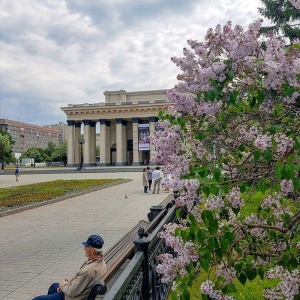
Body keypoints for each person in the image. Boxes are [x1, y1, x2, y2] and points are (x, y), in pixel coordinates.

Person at [32, 235, 106, 300]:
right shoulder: (99, 261)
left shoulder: (89, 270)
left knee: (37, 299)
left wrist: (62, 283)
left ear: (91, 250)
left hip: (72, 298)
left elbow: (71, 291)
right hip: (77, 291)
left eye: (86, 246)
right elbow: (77, 277)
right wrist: (66, 281)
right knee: (54, 286)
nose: (84, 248)